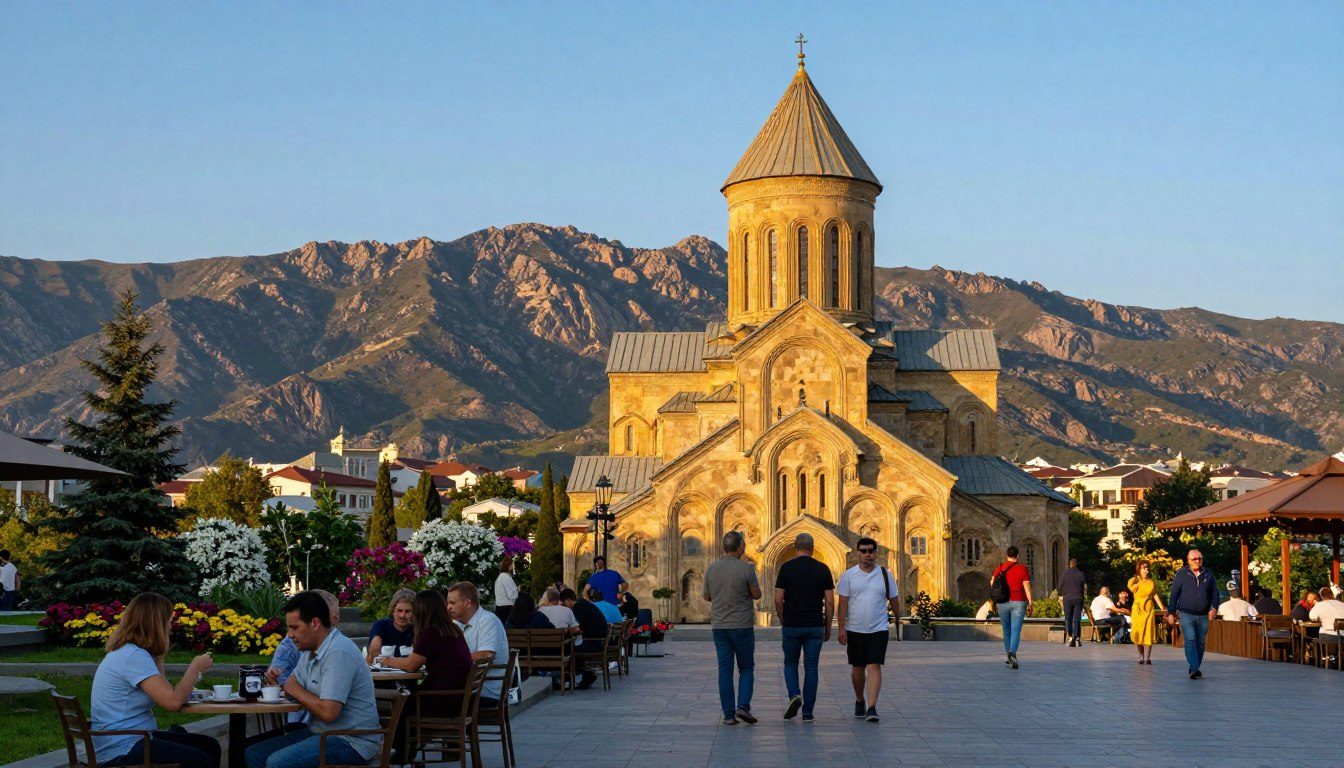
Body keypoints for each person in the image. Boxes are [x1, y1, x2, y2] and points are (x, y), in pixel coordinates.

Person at [245, 591, 381, 768]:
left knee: (277, 763)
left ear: (315, 623)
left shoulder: (338, 651)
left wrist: (292, 688)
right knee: (253, 754)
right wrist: (282, 687)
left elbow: (328, 712)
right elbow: (292, 685)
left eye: (294, 627)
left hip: (352, 740)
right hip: (320, 733)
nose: (290, 635)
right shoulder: (309, 651)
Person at [90, 592, 220, 768]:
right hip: (125, 748)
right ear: (155, 623)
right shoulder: (133, 656)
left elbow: (164, 695)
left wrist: (158, 656)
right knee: (201, 759)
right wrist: (195, 668)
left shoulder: (129, 652)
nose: (170, 628)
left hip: (132, 739)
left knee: (209, 746)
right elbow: (172, 702)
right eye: (168, 621)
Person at [379, 589, 473, 761]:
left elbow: (411, 664)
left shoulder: (431, 633)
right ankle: (404, 751)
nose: (412, 615)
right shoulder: (452, 629)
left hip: (441, 699)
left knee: (401, 705)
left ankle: (399, 753)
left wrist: (387, 661)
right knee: (406, 700)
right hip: (458, 698)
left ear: (423, 611)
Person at [836, 536, 899, 722]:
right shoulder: (849, 576)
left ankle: (871, 707)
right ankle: (859, 699)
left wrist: (898, 618)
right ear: (858, 553)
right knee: (857, 668)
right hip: (855, 629)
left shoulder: (886, 575)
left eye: (871, 551)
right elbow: (843, 604)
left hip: (878, 628)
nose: (867, 554)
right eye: (864, 551)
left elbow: (894, 600)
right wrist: (841, 628)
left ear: (876, 553)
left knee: (874, 665)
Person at [773, 532, 833, 723]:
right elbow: (830, 601)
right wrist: (828, 625)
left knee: (790, 664)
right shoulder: (823, 569)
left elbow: (777, 599)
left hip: (792, 624)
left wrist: (783, 618)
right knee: (811, 668)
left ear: (795, 547)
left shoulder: (786, 568)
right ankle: (808, 712)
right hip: (814, 625)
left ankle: (794, 695)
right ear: (813, 548)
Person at [703, 530, 761, 726]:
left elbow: (707, 596)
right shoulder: (747, 569)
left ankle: (728, 715)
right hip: (742, 625)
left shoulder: (712, 569)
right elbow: (756, 594)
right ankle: (743, 706)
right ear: (741, 547)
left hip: (720, 626)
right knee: (745, 668)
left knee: (725, 670)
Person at [446, 581, 509, 707]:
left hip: (485, 693)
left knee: (426, 702)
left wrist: (451, 660)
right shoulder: (456, 624)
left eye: (452, 603)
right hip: (469, 689)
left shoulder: (487, 621)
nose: (448, 607)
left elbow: (486, 655)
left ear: (467, 603)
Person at [1167, 549, 1218, 680]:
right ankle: (1194, 668)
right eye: (1194, 559)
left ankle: (1195, 667)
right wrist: (1171, 612)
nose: (1197, 561)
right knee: (1190, 640)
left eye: (1199, 559)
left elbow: (1215, 593)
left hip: (1203, 615)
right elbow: (1174, 594)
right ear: (1188, 560)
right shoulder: (1182, 574)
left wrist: (1214, 608)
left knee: (1200, 643)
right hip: (1186, 614)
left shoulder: (1208, 574)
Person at [991, 546, 1034, 669]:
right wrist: (1031, 601)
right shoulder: (1022, 569)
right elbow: (1027, 587)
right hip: (1018, 602)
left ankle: (1008, 655)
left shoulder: (999, 568)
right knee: (1016, 630)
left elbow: (992, 583)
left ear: (1007, 555)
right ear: (1018, 555)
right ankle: (1012, 653)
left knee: (1006, 629)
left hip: (1002, 602)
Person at [561, 587, 607, 689]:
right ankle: (583, 675)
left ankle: (573, 678)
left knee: (568, 650)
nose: (565, 606)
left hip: (592, 644)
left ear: (568, 600)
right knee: (572, 647)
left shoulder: (578, 607)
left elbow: (576, 628)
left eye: (564, 604)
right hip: (598, 642)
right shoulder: (585, 604)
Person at [1127, 561, 1166, 664]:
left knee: (1148, 632)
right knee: (1138, 632)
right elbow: (1130, 587)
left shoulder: (1151, 582)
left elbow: (1154, 595)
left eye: (1147, 568)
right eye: (1144, 568)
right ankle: (1141, 656)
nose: (1146, 570)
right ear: (1139, 569)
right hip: (1137, 609)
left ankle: (1147, 658)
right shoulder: (1135, 581)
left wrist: (1162, 607)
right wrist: (1138, 579)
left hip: (1148, 608)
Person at [366, 588, 416, 663]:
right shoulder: (381, 626)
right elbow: (374, 655)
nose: (402, 615)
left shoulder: (417, 628)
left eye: (407, 611)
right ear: (392, 610)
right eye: (399, 610)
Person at [1056, 557, 1087, 647]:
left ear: (1070, 564)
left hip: (1067, 598)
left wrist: (1061, 594)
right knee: (1077, 618)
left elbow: (1060, 585)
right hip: (1078, 597)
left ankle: (1070, 636)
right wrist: (1083, 595)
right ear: (1076, 564)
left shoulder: (1065, 573)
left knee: (1068, 618)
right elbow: (1084, 586)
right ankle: (1076, 637)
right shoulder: (1081, 573)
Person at [494, 557, 519, 622]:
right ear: (509, 566)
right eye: (512, 565)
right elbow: (512, 595)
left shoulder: (501, 576)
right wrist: (518, 590)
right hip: (506, 609)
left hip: (500, 607)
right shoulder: (505, 577)